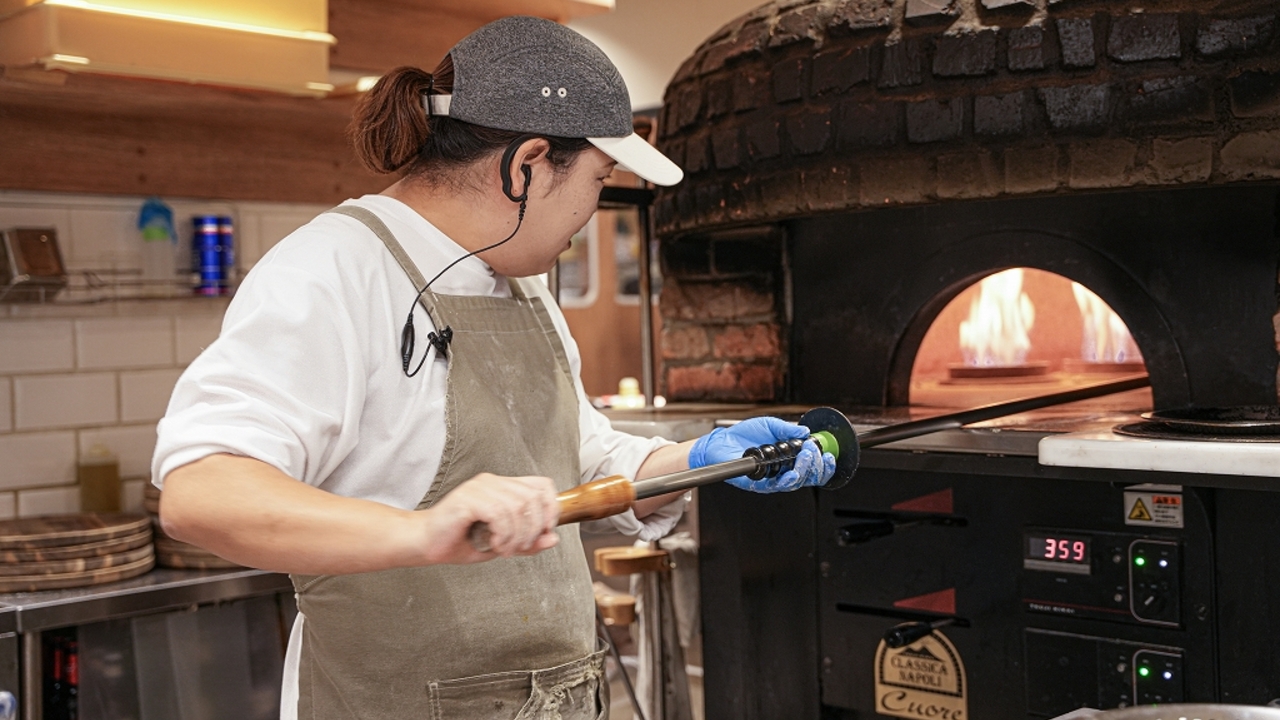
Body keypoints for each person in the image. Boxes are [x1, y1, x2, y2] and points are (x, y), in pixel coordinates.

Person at [152, 15, 835, 720]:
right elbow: (204, 491)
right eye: (599, 179)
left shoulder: (521, 283)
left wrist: (700, 460)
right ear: (526, 165)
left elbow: (581, 460)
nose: (593, 211)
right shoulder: (330, 271)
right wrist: (421, 533)